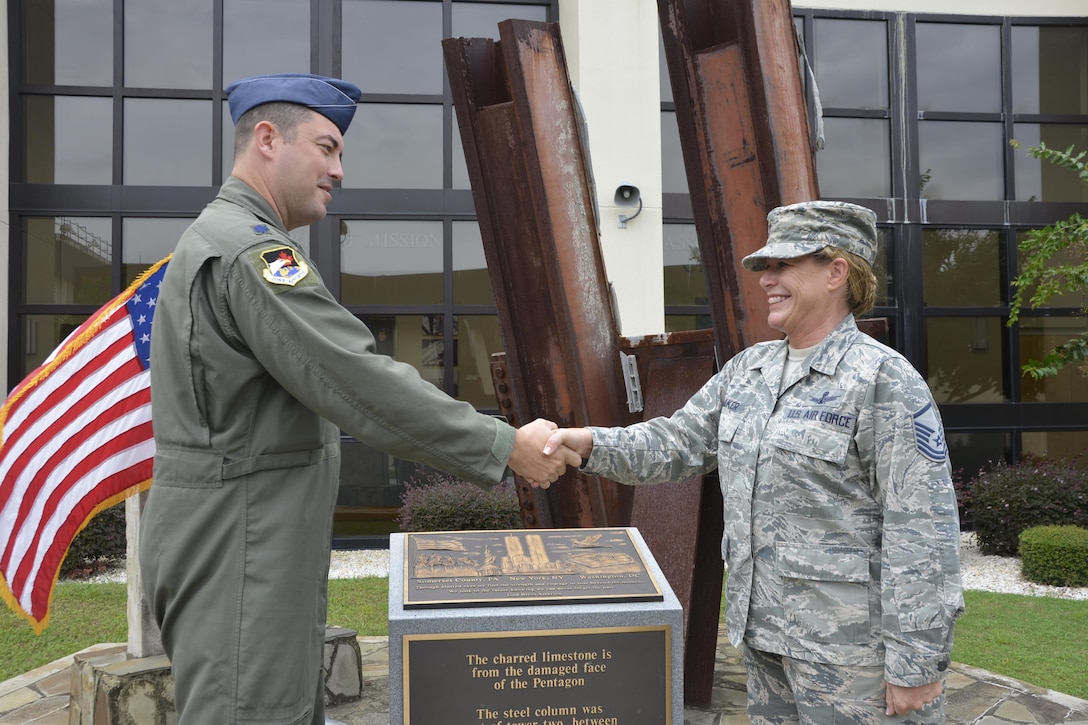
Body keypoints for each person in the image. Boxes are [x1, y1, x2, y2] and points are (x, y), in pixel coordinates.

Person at [139, 73, 578, 725]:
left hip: (248, 547)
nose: (339, 170)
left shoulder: (228, 239)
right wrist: (504, 444)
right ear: (267, 139)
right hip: (241, 556)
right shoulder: (249, 254)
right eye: (326, 147)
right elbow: (355, 379)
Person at [542, 201, 965, 724]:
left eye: (783, 265)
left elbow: (923, 531)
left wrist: (916, 661)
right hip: (765, 636)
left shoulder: (884, 381)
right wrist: (584, 443)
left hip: (853, 654)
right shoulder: (749, 370)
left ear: (837, 272)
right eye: (765, 267)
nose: (766, 279)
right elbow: (676, 442)